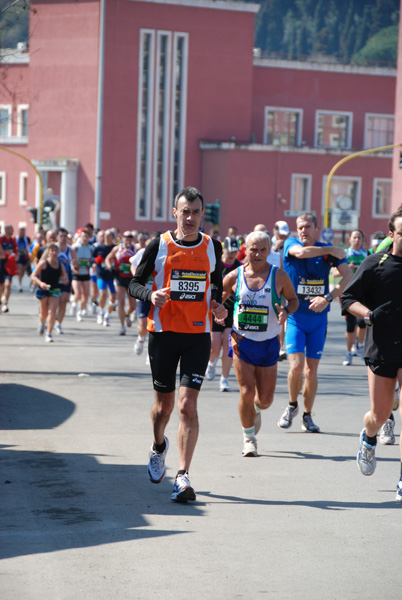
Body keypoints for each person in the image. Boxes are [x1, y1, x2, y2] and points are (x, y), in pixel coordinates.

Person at [129, 186, 227, 502]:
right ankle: (159, 445)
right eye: (185, 211)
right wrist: (149, 295)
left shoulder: (213, 246)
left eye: (196, 212)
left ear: (202, 215)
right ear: (175, 213)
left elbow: (215, 287)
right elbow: (134, 283)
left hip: (197, 336)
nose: (190, 217)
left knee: (187, 406)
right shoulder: (158, 245)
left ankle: (182, 477)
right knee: (164, 408)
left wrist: (219, 305)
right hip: (163, 335)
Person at [340, 205, 402, 501]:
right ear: (392, 235)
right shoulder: (375, 264)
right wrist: (370, 315)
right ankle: (369, 437)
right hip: (381, 347)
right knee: (379, 414)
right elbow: (347, 297)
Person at [222, 231, 298, 456]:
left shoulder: (279, 276)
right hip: (242, 341)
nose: (257, 254)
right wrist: (218, 311)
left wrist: (285, 310)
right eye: (253, 249)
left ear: (269, 251)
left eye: (263, 250)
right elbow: (219, 298)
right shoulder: (234, 277)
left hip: (268, 343)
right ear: (245, 249)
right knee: (245, 391)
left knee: (265, 399)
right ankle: (249, 440)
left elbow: (293, 301)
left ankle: (256, 410)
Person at [278, 212, 352, 433]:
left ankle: (307, 416)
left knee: (311, 372)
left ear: (316, 229)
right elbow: (301, 253)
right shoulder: (291, 244)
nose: (303, 231)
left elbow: (348, 275)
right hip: (295, 318)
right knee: (297, 366)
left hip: (319, 321)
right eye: (300, 227)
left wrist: (329, 296)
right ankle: (292, 405)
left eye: (308, 227)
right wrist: (331, 249)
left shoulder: (325, 251)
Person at [205, 236, 242, 392]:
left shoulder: (240, 267)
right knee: (214, 347)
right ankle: (211, 363)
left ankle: (224, 379)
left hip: (232, 312)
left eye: (235, 251)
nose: (232, 254)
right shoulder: (216, 266)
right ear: (223, 249)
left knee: (228, 344)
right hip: (215, 309)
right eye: (229, 250)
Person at [340, 229, 368, 366]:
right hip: (349, 294)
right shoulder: (345, 254)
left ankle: (360, 346)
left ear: (363, 240)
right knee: (350, 326)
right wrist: (347, 269)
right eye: (354, 238)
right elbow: (334, 272)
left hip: (363, 294)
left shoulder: (367, 255)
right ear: (349, 240)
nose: (357, 240)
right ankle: (349, 353)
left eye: (359, 238)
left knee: (362, 322)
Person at [31, 242, 68, 342]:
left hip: (54, 289)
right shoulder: (43, 263)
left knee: (52, 312)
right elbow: (33, 275)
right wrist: (40, 283)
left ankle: (49, 334)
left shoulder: (60, 266)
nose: (54, 253)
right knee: (44, 314)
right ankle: (42, 323)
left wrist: (65, 280)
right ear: (48, 252)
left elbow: (65, 277)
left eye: (56, 251)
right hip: (43, 289)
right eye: (52, 251)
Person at [105, 231, 137, 335]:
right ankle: (122, 326)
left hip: (131, 279)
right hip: (119, 278)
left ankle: (127, 315)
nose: (128, 240)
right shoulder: (117, 249)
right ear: (122, 239)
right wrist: (110, 267)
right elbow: (107, 259)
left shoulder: (135, 249)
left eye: (130, 238)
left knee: (133, 305)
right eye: (126, 238)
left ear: (132, 239)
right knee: (121, 301)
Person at [93, 229, 117, 326]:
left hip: (112, 275)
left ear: (113, 238)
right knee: (102, 294)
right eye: (105, 236)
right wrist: (95, 261)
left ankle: (107, 315)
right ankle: (101, 312)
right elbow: (92, 258)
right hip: (101, 274)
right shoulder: (99, 248)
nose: (106, 237)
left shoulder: (115, 248)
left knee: (113, 297)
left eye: (109, 236)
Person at [71, 230, 93, 322]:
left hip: (86, 273)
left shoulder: (91, 248)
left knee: (86, 295)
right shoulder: (75, 247)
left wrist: (90, 266)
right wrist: (74, 268)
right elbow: (71, 260)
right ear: (80, 237)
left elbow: (92, 260)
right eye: (83, 236)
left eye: (86, 237)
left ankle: (80, 310)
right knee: (78, 294)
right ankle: (74, 305)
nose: (84, 239)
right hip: (76, 274)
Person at [0, 225, 18, 313]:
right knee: (0, 285)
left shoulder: (13, 240)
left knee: (7, 284)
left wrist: (14, 255)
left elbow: (16, 251)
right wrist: (6, 255)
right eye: (11, 229)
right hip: (1, 264)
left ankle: (5, 303)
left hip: (9, 264)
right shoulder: (1, 239)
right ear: (6, 230)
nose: (13, 230)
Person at [16, 226, 31, 292]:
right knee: (20, 270)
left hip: (25, 257)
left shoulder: (27, 239)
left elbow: (29, 246)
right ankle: (20, 284)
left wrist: (27, 251)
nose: (21, 233)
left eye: (23, 232)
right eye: (20, 232)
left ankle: (20, 280)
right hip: (19, 257)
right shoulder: (16, 238)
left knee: (23, 271)